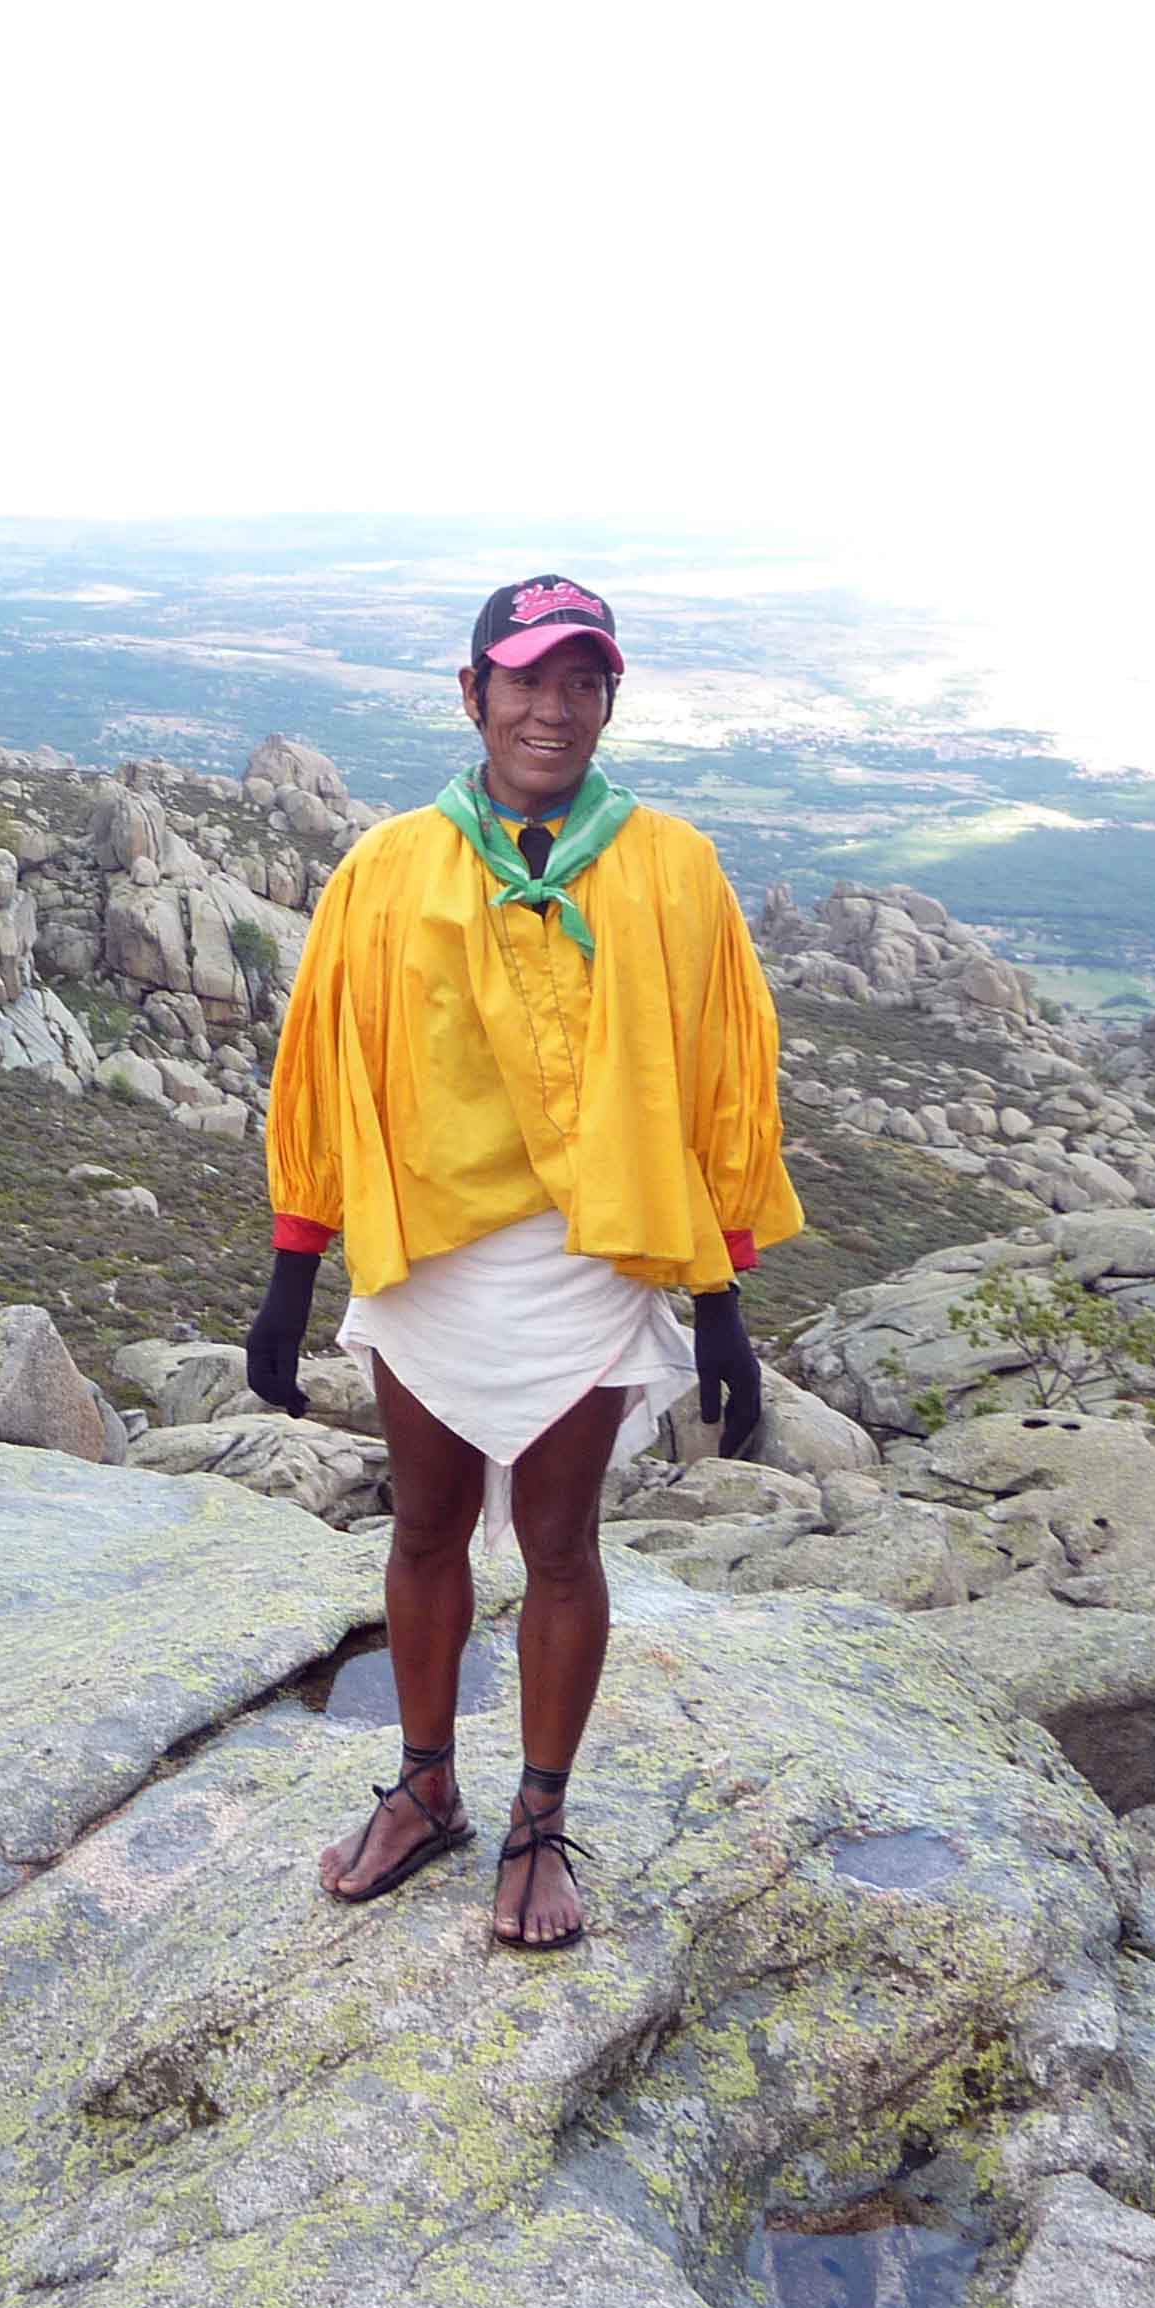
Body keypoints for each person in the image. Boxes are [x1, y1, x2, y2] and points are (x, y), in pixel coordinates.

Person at [246, 575, 802, 1950]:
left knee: (560, 1545)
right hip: (429, 1249)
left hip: (588, 1251)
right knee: (425, 1531)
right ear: (474, 693)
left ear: (608, 698)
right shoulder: (389, 868)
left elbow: (725, 1078)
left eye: (581, 682)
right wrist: (292, 1271)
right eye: (526, 679)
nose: (551, 708)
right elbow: (322, 1065)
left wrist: (722, 1297)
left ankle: (538, 1821)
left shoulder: (671, 868)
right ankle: (425, 1788)